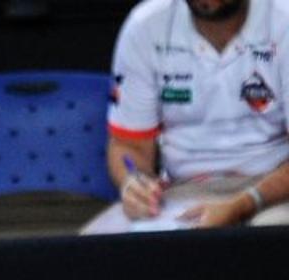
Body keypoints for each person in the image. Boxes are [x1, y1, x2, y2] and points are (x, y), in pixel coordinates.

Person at [85, 0, 289, 233]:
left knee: (270, 243)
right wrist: (134, 182)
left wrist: (242, 205)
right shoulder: (145, 25)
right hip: (182, 190)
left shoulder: (283, 18)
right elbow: (128, 145)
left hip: (273, 190)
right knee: (91, 250)